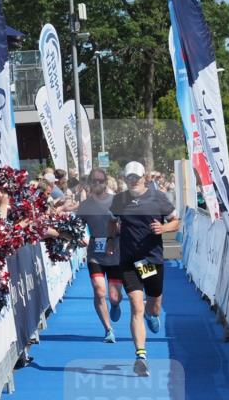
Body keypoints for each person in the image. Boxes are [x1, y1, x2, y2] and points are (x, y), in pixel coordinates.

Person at [110, 161, 180, 377]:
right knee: (135, 306)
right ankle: (140, 356)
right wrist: (112, 239)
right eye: (129, 177)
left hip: (150, 261)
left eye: (136, 177)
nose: (132, 180)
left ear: (144, 178)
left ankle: (153, 314)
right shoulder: (119, 200)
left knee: (153, 306)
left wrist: (164, 228)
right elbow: (112, 222)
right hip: (129, 261)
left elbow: (176, 221)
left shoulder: (157, 197)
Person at [77, 168, 123, 342]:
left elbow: (126, 225)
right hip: (95, 253)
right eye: (94, 181)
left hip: (115, 253)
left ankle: (116, 304)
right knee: (99, 290)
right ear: (90, 183)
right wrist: (79, 238)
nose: (97, 184)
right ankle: (108, 329)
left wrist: (118, 230)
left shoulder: (116, 202)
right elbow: (77, 227)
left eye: (100, 181)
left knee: (114, 297)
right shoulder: (85, 206)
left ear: (105, 183)